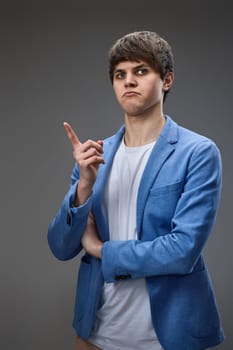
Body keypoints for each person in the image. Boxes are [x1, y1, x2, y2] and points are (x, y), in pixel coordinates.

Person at [47, 31, 225, 350]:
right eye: (120, 74)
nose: (128, 81)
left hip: (169, 337)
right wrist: (83, 186)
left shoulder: (198, 152)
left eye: (141, 71)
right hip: (96, 334)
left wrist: (101, 250)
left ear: (166, 80)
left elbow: (183, 250)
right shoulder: (94, 157)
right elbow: (61, 247)